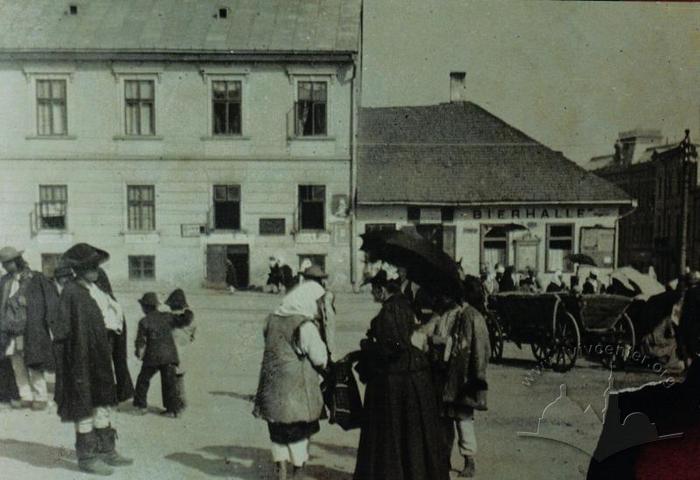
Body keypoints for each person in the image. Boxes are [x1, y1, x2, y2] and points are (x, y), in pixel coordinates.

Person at [353, 265, 449, 480]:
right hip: (414, 376)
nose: (372, 295)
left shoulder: (391, 309)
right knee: (412, 434)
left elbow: (393, 347)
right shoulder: (403, 304)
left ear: (381, 290)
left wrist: (368, 346)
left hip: (399, 380)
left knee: (394, 433)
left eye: (373, 290)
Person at [54, 243, 132, 475]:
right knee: (84, 405)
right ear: (78, 269)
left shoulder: (97, 287)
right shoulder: (72, 292)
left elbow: (111, 314)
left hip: (101, 352)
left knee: (103, 401)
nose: (95, 270)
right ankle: (87, 457)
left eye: (96, 265)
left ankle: (106, 450)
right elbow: (64, 330)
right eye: (90, 266)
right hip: (81, 356)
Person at [253, 281, 329, 480]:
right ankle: (298, 471)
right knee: (298, 433)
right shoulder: (304, 325)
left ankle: (281, 469)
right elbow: (320, 357)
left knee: (277, 431)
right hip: (295, 389)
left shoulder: (271, 319)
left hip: (271, 386)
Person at [427, 288, 491, 478]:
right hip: (443, 374)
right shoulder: (443, 314)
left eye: (447, 294)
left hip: (462, 376)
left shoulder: (470, 316)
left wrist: (476, 379)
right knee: (443, 418)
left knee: (463, 419)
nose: (442, 297)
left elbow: (478, 350)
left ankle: (469, 459)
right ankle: (443, 457)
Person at [0, 246, 55, 411]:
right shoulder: (4, 281)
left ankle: (41, 397)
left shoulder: (35, 278)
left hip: (30, 329)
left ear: (17, 261)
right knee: (17, 364)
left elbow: (48, 302)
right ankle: (26, 396)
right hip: (9, 329)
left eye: (7, 263)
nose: (5, 266)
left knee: (34, 364)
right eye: (3, 263)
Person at [133, 292, 183, 418]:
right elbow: (181, 320)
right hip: (170, 355)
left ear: (145, 307)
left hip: (153, 356)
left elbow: (141, 341)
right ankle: (172, 410)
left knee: (143, 380)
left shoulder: (144, 321)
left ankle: (141, 406)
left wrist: (138, 352)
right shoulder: (167, 316)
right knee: (169, 382)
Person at [95, 266, 134, 405]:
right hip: (118, 327)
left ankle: (109, 394)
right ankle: (125, 391)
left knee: (104, 362)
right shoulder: (110, 295)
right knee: (119, 360)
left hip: (110, 329)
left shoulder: (99, 295)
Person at [165, 288, 195, 413]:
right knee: (180, 379)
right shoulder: (190, 321)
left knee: (172, 382)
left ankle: (176, 407)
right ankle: (182, 403)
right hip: (184, 354)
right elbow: (193, 337)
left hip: (172, 355)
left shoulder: (169, 321)